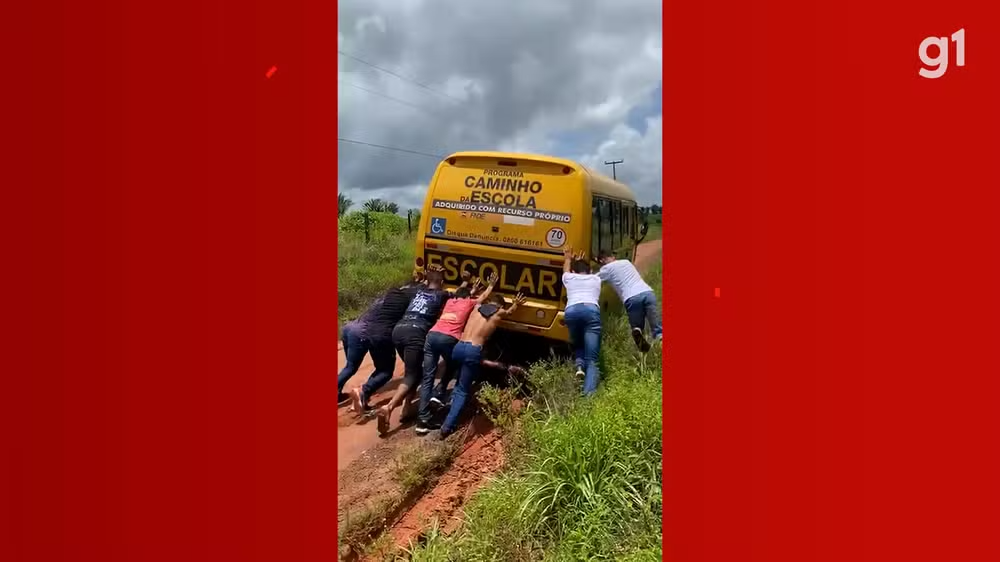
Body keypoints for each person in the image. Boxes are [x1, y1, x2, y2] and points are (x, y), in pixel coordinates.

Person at [413, 272, 498, 435]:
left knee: (428, 377)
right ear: (469, 297)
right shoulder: (469, 303)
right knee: (455, 364)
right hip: (448, 338)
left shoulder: (449, 301)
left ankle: (422, 419)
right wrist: (491, 285)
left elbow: (460, 291)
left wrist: (466, 284)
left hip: (432, 335)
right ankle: (442, 393)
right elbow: (483, 297)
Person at [374, 267, 454, 435]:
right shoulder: (442, 295)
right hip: (415, 332)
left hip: (399, 330)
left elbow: (422, 282)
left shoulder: (418, 291)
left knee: (414, 372)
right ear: (440, 282)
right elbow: (462, 295)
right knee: (412, 375)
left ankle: (406, 408)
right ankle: (389, 407)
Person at [439, 291, 526, 438]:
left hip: (458, 347)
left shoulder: (475, 308)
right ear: (500, 305)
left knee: (458, 376)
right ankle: (447, 427)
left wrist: (489, 287)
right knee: (463, 389)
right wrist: (516, 303)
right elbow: (510, 312)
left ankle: (444, 400)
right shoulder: (499, 312)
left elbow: (479, 299)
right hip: (473, 350)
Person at [338, 270, 424, 405]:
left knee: (350, 366)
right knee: (384, 370)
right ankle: (364, 392)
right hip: (366, 333)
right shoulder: (405, 302)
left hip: (350, 328)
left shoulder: (387, 297)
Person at [596, 249, 661, 352]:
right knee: (657, 329)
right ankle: (660, 346)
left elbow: (592, 280)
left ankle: (642, 347)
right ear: (612, 257)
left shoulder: (606, 269)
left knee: (637, 328)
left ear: (602, 260)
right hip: (648, 293)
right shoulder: (626, 262)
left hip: (632, 298)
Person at [561, 246, 603, 395]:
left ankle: (579, 366)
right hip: (591, 311)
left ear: (574, 271)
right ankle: (588, 396)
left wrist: (568, 259)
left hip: (572, 311)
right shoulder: (596, 278)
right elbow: (582, 272)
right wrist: (579, 261)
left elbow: (566, 270)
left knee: (578, 342)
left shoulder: (569, 277)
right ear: (590, 272)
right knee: (592, 359)